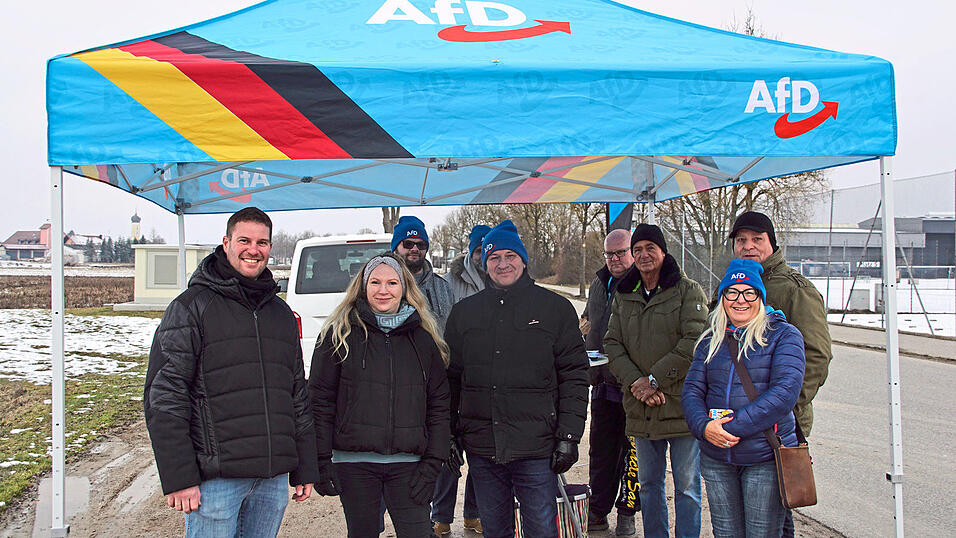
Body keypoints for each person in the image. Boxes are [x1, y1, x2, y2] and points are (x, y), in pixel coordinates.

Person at [143, 207, 317, 537]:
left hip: (271, 479)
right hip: (217, 480)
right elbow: (164, 395)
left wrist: (306, 465)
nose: (254, 249)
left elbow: (296, 392)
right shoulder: (191, 307)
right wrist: (180, 477)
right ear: (226, 243)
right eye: (244, 240)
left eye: (262, 242)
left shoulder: (279, 313)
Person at [445, 220, 589, 538]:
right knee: (495, 530)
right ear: (484, 264)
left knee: (540, 528)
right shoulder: (464, 313)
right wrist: (450, 433)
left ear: (523, 260)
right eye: (494, 257)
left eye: (510, 255)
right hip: (483, 447)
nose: (503, 263)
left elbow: (575, 375)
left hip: (537, 446)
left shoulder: (555, 309)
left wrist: (568, 435)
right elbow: (451, 380)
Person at [309, 253, 451, 537]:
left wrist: (434, 463)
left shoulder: (423, 339)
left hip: (410, 467)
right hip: (354, 465)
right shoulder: (339, 334)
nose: (383, 290)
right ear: (363, 287)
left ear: (404, 288)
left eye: (392, 283)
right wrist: (320, 461)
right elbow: (319, 401)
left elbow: (439, 405)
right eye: (375, 282)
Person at [718, 211, 832, 538]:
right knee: (758, 512)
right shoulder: (733, 284)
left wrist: (785, 408)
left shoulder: (795, 290)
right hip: (735, 419)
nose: (749, 246)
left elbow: (816, 355)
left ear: (772, 243)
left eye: (757, 239)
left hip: (778, 424)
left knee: (773, 508)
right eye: (741, 240)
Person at [682, 259, 806, 537]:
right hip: (716, 458)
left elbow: (784, 394)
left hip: (763, 456)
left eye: (749, 292)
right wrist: (703, 427)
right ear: (723, 298)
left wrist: (727, 429)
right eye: (732, 292)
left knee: (761, 533)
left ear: (760, 297)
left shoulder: (783, 336)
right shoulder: (709, 340)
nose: (740, 300)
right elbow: (691, 391)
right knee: (725, 532)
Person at [604, 223, 708, 538]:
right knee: (648, 486)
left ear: (663, 252)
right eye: (638, 250)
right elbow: (612, 344)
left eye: (651, 248)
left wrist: (654, 380)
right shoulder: (624, 295)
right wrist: (637, 382)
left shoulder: (688, 291)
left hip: (680, 407)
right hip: (642, 408)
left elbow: (695, 341)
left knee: (688, 487)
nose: (644, 255)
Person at [580, 228, 640, 536]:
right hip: (601, 382)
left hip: (632, 385)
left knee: (632, 454)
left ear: (633, 252)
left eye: (620, 252)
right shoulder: (598, 282)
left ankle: (627, 512)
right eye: (609, 254)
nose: (615, 259)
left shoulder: (643, 283)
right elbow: (590, 320)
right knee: (600, 450)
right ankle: (597, 510)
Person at [432, 224, 490, 536]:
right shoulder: (449, 283)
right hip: (452, 374)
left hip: (485, 380)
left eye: (487, 250)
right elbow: (442, 325)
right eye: (479, 251)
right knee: (449, 451)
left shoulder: (499, 277)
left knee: (481, 453)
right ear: (470, 251)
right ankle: (441, 515)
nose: (484, 257)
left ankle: (474, 513)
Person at [392, 215, 455, 333]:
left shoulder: (443, 287)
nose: (415, 249)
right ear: (395, 248)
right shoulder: (383, 287)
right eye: (408, 244)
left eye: (421, 245)